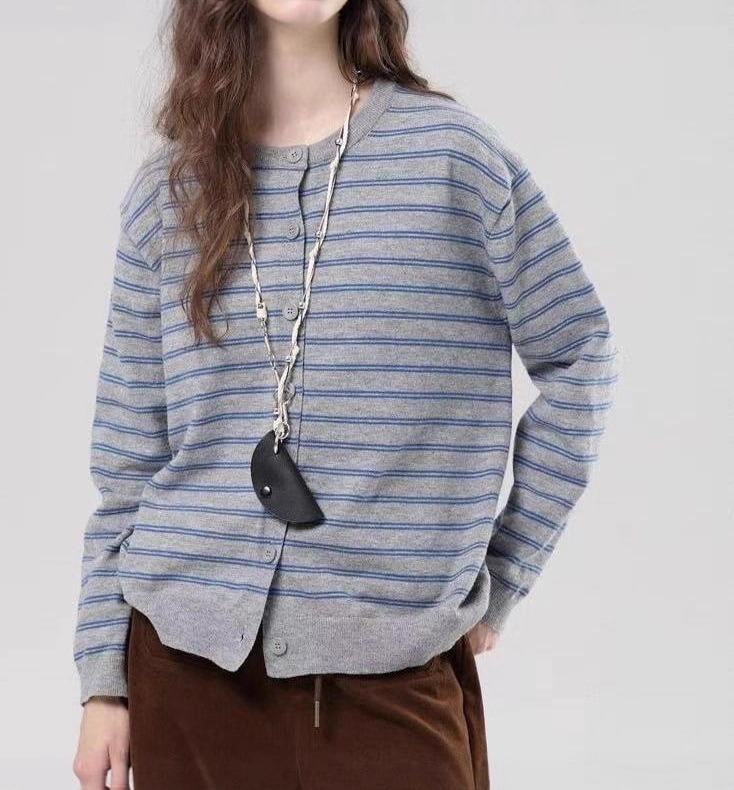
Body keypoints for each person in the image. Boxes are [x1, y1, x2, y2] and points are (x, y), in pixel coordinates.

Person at [72, 1, 618, 788]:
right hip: (183, 677)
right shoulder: (170, 189)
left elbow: (581, 355)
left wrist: (505, 570)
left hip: (390, 678)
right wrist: (104, 681)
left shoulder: (453, 159)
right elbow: (127, 458)